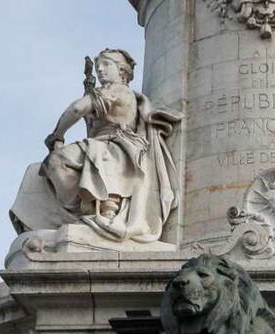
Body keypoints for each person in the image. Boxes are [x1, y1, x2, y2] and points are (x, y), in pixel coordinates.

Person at [38, 48, 180, 243]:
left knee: (58, 160)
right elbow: (91, 121)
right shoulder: (107, 92)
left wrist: (57, 134)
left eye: (106, 65)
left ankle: (90, 214)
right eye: (98, 67)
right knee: (54, 164)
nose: (100, 70)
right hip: (104, 145)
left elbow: (78, 108)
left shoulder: (117, 90)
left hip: (117, 147)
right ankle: (86, 213)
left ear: (122, 71)